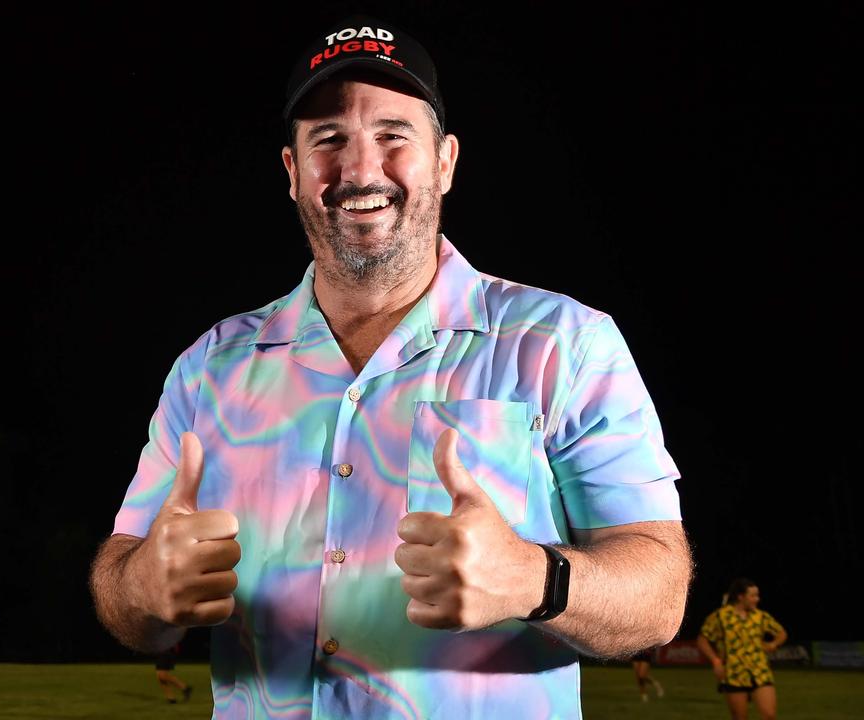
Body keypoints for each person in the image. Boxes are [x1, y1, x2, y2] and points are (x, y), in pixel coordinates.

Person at [89, 14, 692, 718]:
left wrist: (536, 578)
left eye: (393, 136)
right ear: (293, 171)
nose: (360, 169)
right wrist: (141, 588)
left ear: (445, 161)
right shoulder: (210, 367)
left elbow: (660, 593)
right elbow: (121, 575)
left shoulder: (565, 344)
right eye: (328, 139)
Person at [697, 578, 786, 720]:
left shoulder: (760, 616)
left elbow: (781, 633)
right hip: (734, 674)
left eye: (757, 595)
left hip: (760, 671)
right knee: (740, 717)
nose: (757, 599)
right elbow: (702, 640)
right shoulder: (721, 616)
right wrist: (715, 661)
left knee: (769, 715)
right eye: (753, 596)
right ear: (740, 597)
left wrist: (773, 644)